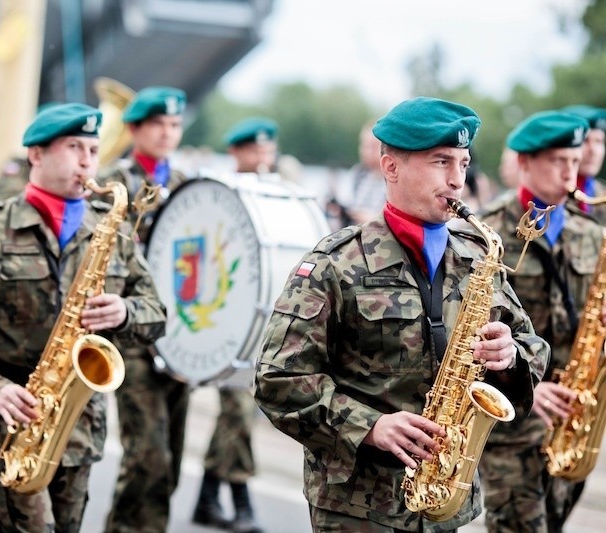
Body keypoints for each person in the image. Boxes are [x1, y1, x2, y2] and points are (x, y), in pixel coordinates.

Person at [254, 96, 549, 532]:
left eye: (464, 165)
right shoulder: (335, 263)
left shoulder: (477, 258)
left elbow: (533, 347)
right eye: (441, 162)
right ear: (390, 167)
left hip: (448, 500)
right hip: (357, 509)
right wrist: (371, 427)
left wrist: (510, 356)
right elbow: (277, 380)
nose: (457, 181)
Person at [0, 103, 167, 531]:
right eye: (74, 147)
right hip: (12, 422)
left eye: (93, 150)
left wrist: (125, 311)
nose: (87, 161)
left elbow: (156, 315)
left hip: (80, 425)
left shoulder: (111, 230)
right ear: (36, 154)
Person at [478, 110, 601, 533]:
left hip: (571, 416)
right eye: (557, 161)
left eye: (574, 160)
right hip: (511, 421)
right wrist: (531, 383)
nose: (570, 172)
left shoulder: (591, 232)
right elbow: (472, 329)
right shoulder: (486, 232)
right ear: (525, 162)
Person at [99, 86, 190, 533]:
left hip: (183, 333)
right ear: (134, 128)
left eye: (174, 125)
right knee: (147, 455)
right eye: (158, 125)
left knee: (169, 459)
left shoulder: (191, 184)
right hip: (133, 334)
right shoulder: (115, 183)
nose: (168, 133)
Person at [190, 117, 276, 533]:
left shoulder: (278, 194)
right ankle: (242, 503)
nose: (263, 158)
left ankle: (206, 498)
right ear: (236, 154)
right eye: (254, 151)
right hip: (227, 319)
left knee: (235, 415)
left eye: (267, 151)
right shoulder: (222, 196)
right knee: (239, 412)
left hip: (265, 321)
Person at [328, 120, 387, 231]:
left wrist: (370, 219)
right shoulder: (358, 174)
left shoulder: (392, 180)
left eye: (372, 147)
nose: (366, 151)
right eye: (364, 145)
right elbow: (347, 202)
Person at [561, 105, 606, 224]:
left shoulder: (602, 195)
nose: (593, 150)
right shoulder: (550, 197)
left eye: (599, 141)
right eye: (585, 141)